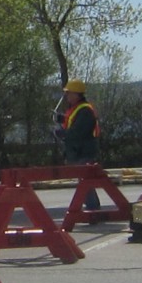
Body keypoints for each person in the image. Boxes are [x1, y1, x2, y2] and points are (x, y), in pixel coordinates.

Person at [54, 79, 101, 211]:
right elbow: (73, 121)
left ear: (76, 94)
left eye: (69, 93)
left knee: (84, 182)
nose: (67, 96)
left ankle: (93, 209)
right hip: (79, 151)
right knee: (85, 182)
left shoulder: (85, 110)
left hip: (83, 152)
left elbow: (78, 131)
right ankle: (93, 208)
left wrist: (62, 133)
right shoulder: (78, 109)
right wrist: (62, 119)